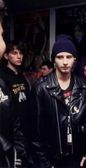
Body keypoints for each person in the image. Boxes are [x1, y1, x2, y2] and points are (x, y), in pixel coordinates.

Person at [29, 34, 86, 168]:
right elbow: (33, 132)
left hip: (76, 159)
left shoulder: (81, 86)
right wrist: (45, 164)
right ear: (53, 60)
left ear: (74, 59)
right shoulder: (41, 88)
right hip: (52, 160)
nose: (65, 62)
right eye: (60, 57)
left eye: (69, 57)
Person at [0, 1, 31, 167]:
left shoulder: (22, 77)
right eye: (14, 53)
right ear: (6, 56)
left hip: (25, 132)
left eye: (21, 53)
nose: (19, 56)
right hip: (11, 136)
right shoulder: (3, 78)